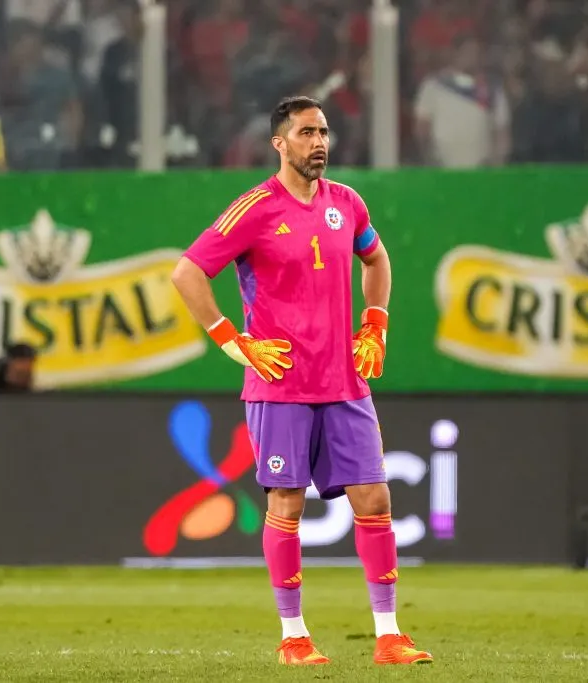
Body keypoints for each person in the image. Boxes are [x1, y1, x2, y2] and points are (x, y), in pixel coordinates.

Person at [171, 95, 432, 667]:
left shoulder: (347, 204)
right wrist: (229, 340)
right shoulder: (254, 208)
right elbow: (187, 271)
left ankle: (388, 635)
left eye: (325, 132)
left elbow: (378, 260)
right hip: (281, 384)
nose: (319, 142)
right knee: (287, 504)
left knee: (374, 495)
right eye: (307, 132)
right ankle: (294, 637)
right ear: (279, 143)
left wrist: (376, 325)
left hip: (345, 381)